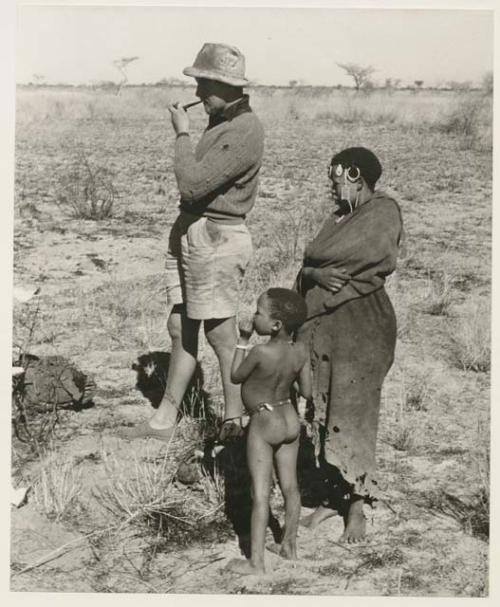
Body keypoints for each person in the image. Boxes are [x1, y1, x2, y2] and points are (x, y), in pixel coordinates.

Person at [119, 43, 264, 442]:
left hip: (216, 236)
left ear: (228, 86)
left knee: (220, 333)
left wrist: (181, 134)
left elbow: (193, 182)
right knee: (179, 323)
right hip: (195, 231)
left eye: (204, 84)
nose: (198, 94)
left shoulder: (244, 130)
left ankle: (235, 424)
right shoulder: (223, 122)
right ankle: (165, 417)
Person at [296, 147, 403, 543]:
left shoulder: (383, 211)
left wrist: (316, 265)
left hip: (363, 324)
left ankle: (357, 504)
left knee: (355, 410)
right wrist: (313, 272)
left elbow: (372, 256)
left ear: (356, 175)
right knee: (322, 405)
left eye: (337, 177)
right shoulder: (340, 216)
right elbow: (314, 261)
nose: (332, 184)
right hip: (326, 321)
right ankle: (333, 493)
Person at [226, 288, 312, 575]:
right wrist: (288, 376)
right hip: (289, 418)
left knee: (260, 493)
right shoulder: (300, 350)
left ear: (275, 325)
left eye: (258, 312)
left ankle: (256, 563)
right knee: (291, 487)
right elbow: (308, 391)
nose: (254, 316)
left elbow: (235, 376)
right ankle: (290, 546)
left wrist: (242, 340)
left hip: (264, 420)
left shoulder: (260, 351)